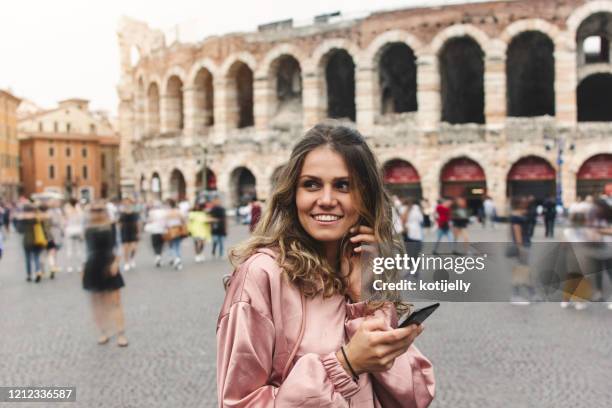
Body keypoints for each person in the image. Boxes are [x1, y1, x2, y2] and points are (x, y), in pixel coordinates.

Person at [217, 124, 435, 407]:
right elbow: (239, 402)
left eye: (343, 186)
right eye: (311, 184)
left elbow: (412, 398)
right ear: (292, 193)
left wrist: (365, 301)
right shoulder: (262, 275)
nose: (327, 200)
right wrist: (344, 365)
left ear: (365, 196)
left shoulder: (366, 272)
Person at [82, 204, 128, 347]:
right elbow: (85, 250)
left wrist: (116, 262)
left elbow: (119, 245)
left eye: (99, 210)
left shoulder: (112, 225)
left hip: (109, 262)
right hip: (93, 264)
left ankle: (121, 333)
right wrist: (83, 267)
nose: (97, 213)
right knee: (97, 303)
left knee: (115, 301)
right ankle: (103, 331)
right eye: (94, 211)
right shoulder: (87, 227)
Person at [17, 204, 47, 282]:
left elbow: (20, 230)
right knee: (36, 257)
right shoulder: (38, 218)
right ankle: (38, 271)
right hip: (37, 240)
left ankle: (29, 275)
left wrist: (20, 219)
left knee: (28, 259)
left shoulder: (23, 219)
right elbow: (43, 228)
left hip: (27, 241)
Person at [118, 198, 140, 271]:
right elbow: (119, 223)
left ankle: (132, 258)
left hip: (133, 230)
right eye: (125, 202)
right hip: (124, 230)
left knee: (134, 247)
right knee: (125, 248)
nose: (127, 204)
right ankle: (126, 263)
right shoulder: (121, 213)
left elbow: (137, 223)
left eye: (128, 202)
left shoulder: (135, 212)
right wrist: (118, 232)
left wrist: (138, 232)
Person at [64, 198, 85, 273]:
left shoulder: (67, 210)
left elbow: (65, 221)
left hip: (69, 230)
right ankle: (79, 266)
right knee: (79, 249)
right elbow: (82, 221)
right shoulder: (79, 211)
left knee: (69, 249)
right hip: (78, 230)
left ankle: (70, 267)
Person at [165, 199, 187, 270]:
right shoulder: (178, 212)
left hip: (171, 230)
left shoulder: (168, 212)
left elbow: (165, 223)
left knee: (173, 245)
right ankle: (178, 259)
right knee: (177, 245)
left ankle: (176, 258)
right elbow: (183, 221)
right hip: (178, 229)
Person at [144, 201, 167, 267]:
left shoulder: (151, 212)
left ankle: (157, 256)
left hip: (154, 231)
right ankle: (159, 256)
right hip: (162, 231)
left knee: (155, 244)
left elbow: (149, 221)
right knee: (161, 244)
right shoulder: (164, 212)